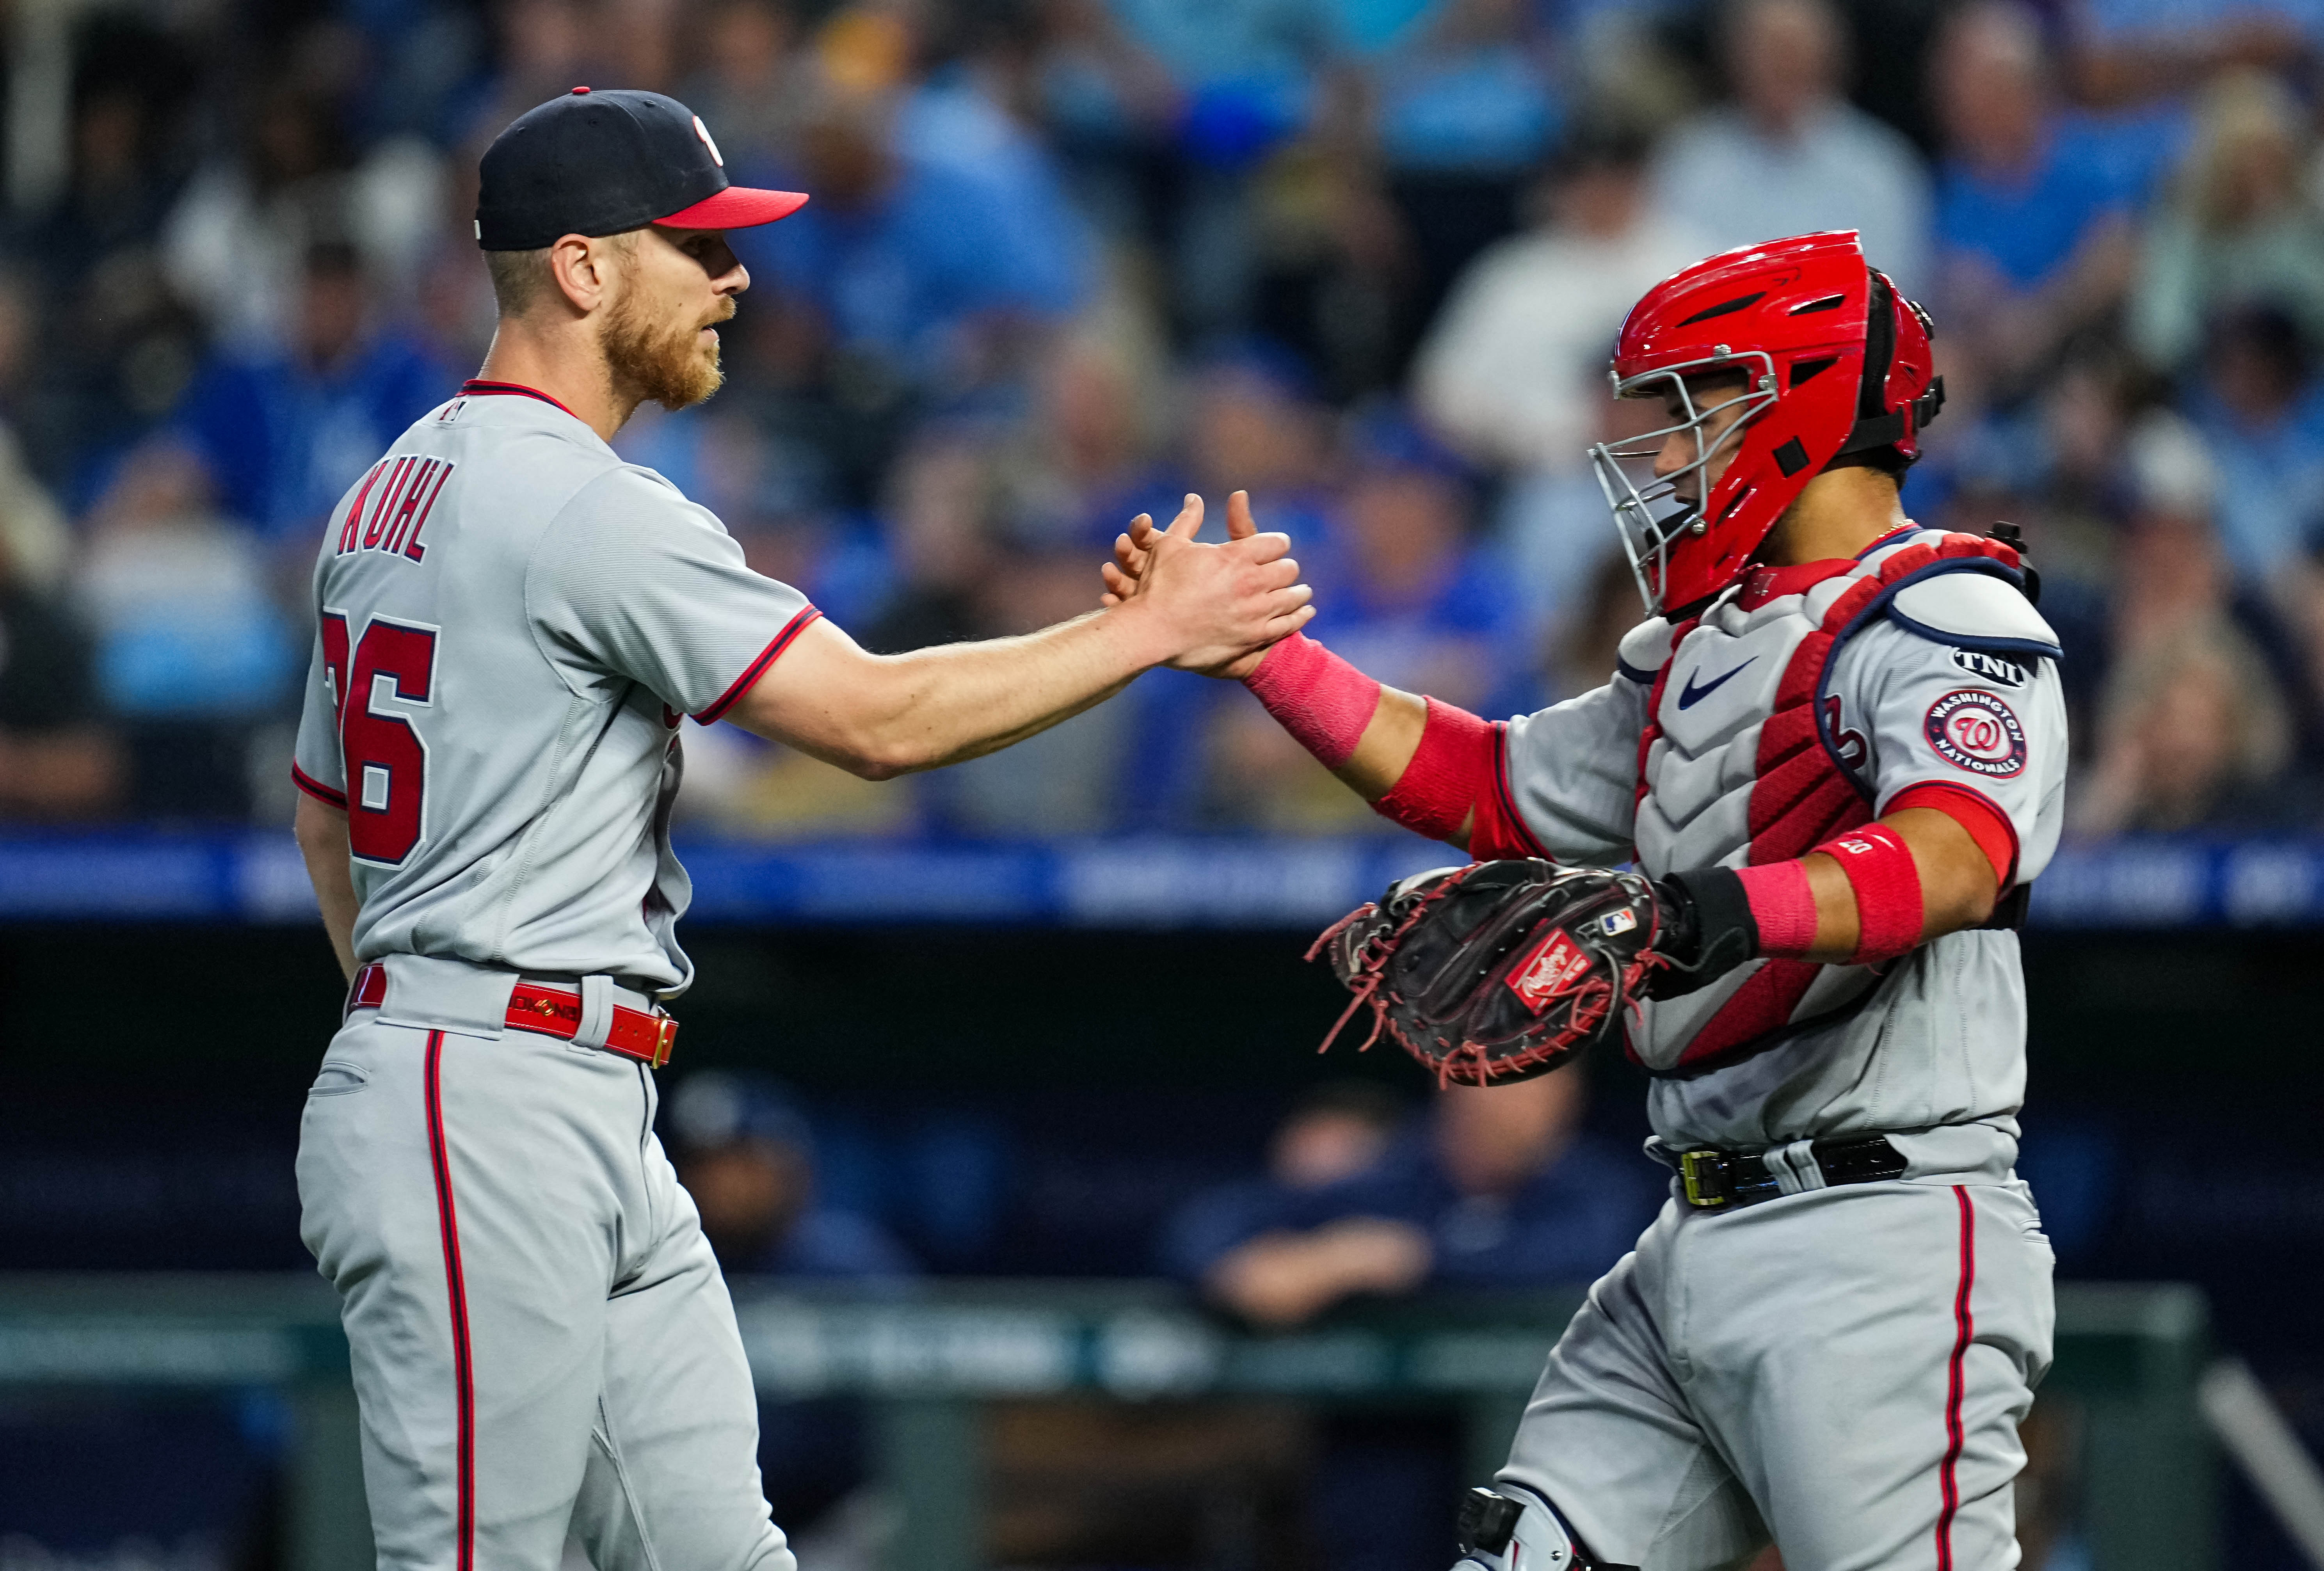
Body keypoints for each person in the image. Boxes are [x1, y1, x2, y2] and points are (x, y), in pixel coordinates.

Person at [288, 87, 1311, 1571]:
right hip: (487, 1092)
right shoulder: (587, 507)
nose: (737, 278)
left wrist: (406, 1023)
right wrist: (1147, 633)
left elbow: (330, 828)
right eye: (695, 245)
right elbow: (876, 722)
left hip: (534, 1085)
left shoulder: (383, 491)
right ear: (581, 269)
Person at [1108, 230, 2064, 1569]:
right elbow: (1489, 783)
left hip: (1883, 1236)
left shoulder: (1949, 613)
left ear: (1796, 403)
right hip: (1694, 1223)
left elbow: (1957, 857)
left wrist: (1696, 914)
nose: (1667, 455)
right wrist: (1271, 662)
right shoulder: (1700, 645)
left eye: (1697, 412)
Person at [1180, 1073, 1654, 1328]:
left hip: (1545, 1423)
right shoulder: (1394, 1170)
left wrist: (1415, 1257)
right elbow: (1216, 1221)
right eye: (1508, 1083)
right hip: (1394, 1446)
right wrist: (1242, 1268)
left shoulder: (1595, 1188)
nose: (1526, 1111)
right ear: (1457, 1088)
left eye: (1547, 1089)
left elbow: (1586, 1257)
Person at [1651, 0, 1929, 291]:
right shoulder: (1688, 162)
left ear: (1829, 58)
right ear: (1733, 58)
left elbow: (1895, 293)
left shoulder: (1880, 168)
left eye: (1794, 51)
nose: (1781, 65)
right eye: (1766, 51)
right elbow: (1672, 281)